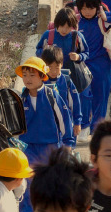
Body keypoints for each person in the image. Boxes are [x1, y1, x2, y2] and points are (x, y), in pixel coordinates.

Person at [17, 57, 74, 212]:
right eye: (25, 75)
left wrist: (68, 144)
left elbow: (64, 120)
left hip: (50, 147)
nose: (27, 79)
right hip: (27, 147)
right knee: (27, 182)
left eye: (32, 75)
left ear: (42, 76)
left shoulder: (52, 96)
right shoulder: (20, 99)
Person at [76, 0, 111, 133]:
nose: (86, 11)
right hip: (82, 64)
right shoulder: (76, 22)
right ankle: (85, 125)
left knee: (101, 98)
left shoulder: (103, 20)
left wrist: (107, 16)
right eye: (83, 8)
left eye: (90, 8)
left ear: (97, 7)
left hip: (101, 65)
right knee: (83, 96)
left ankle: (96, 129)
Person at [37, 8, 92, 140]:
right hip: (51, 75)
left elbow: (87, 53)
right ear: (57, 24)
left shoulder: (77, 36)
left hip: (73, 75)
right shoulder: (48, 35)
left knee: (76, 100)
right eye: (61, 26)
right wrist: (46, 53)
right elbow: (38, 50)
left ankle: (78, 126)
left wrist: (78, 57)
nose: (64, 30)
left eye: (68, 27)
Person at [40, 46, 83, 144]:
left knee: (66, 153)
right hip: (47, 127)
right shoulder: (40, 82)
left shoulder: (66, 81)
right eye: (50, 67)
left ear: (62, 64)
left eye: (57, 67)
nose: (54, 71)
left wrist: (77, 122)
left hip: (66, 125)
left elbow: (75, 103)